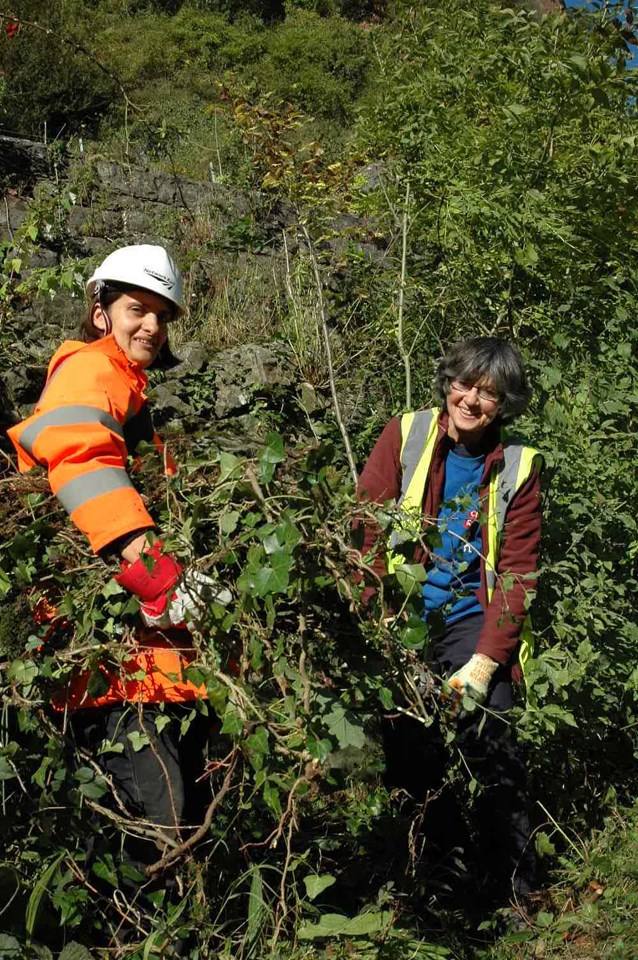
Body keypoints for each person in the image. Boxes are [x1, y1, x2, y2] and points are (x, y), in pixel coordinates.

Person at [7, 244, 230, 943]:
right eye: (138, 309)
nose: (152, 327)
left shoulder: (131, 392)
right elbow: (78, 452)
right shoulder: (90, 370)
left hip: (142, 663)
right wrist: (155, 572)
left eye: (162, 316)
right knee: (156, 826)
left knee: (168, 817)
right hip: (114, 667)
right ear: (102, 311)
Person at [355, 336, 542, 912]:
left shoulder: (519, 467)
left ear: (503, 405)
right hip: (403, 616)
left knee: (493, 745)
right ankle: (438, 882)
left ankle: (513, 888)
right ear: (448, 383)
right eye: (465, 385)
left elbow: (517, 573)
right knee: (414, 755)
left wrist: (486, 663)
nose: (472, 400)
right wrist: (376, 625)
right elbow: (365, 530)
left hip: (471, 619)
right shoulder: (406, 435)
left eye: (488, 394)